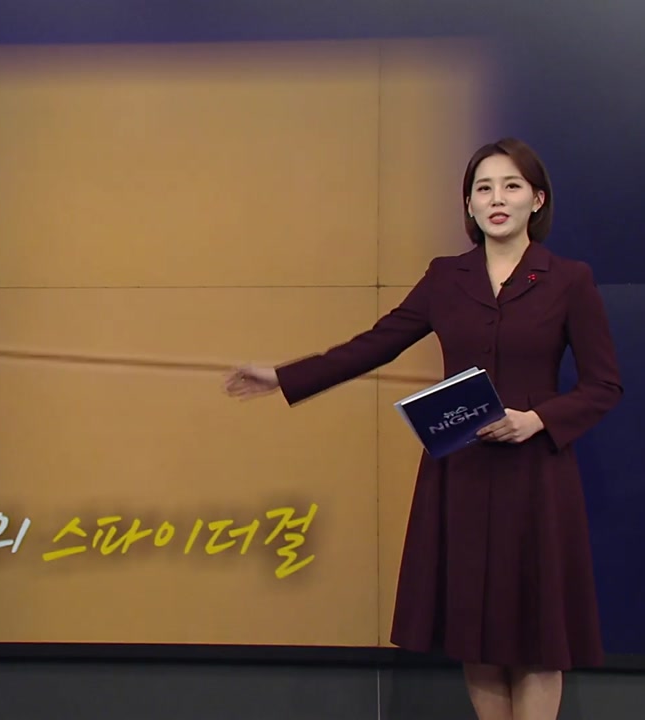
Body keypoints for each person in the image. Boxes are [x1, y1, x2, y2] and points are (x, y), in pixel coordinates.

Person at [224, 138, 622, 720]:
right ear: (469, 204)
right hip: (461, 472)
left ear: (537, 200)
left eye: (511, 186)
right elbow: (376, 344)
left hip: (536, 477)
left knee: (536, 642)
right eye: (483, 188)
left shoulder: (569, 280)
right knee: (475, 637)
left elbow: (604, 384)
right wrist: (284, 376)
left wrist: (536, 420)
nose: (497, 199)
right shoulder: (445, 277)